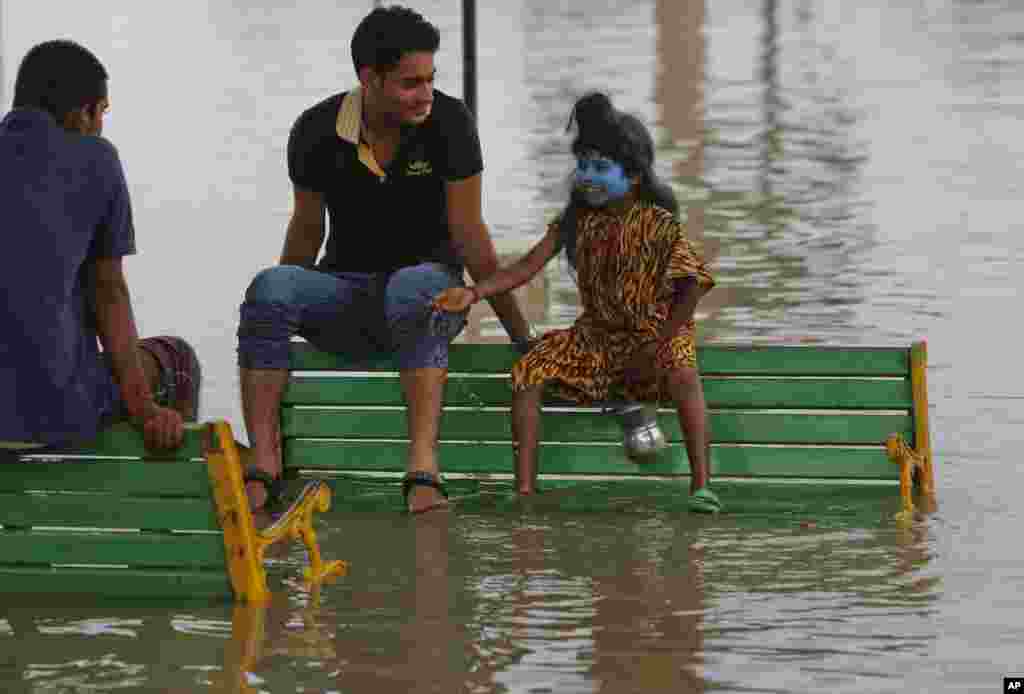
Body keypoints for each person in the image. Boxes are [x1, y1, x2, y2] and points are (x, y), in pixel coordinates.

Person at [236, 6, 532, 513]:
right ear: (368, 78)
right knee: (268, 287)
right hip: (348, 294)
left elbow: (470, 236)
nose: (425, 95)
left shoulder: (450, 123)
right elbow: (307, 231)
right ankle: (266, 464)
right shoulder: (315, 129)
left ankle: (422, 471)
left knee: (410, 287)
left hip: (429, 296)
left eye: (430, 80)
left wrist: (522, 339)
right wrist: (281, 300)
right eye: (409, 83)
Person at [433, 92, 722, 513]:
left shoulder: (657, 223)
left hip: (656, 335)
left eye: (602, 168)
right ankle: (527, 492)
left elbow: (694, 284)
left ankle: (701, 487)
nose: (588, 176)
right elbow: (527, 267)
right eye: (584, 166)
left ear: (635, 176)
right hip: (598, 340)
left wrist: (660, 342)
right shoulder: (575, 220)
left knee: (683, 374)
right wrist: (474, 293)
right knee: (529, 370)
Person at [0, 40, 201, 457]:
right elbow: (108, 292)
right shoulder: (95, 159)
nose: (101, 126)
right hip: (49, 412)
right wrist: (146, 410)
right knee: (177, 359)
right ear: (82, 112)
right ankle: (168, 503)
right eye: (102, 113)